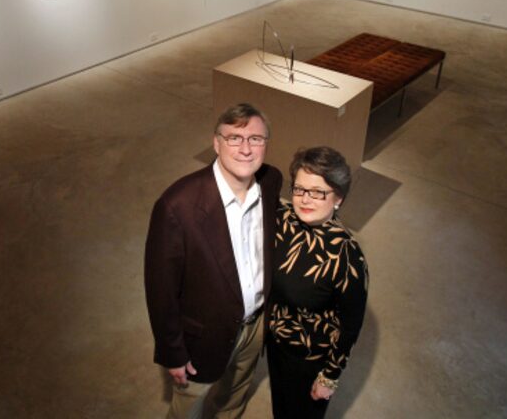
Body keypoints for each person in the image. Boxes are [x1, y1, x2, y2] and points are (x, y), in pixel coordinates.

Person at [145, 103, 283, 418]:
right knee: (190, 407)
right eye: (235, 138)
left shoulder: (271, 181)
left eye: (256, 139)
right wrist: (173, 352)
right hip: (203, 337)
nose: (246, 149)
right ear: (216, 143)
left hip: (256, 325)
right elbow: (160, 290)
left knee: (234, 396)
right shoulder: (176, 207)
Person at [267, 146, 368, 418]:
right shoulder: (283, 219)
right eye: (299, 189)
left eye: (318, 192)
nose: (305, 200)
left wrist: (329, 376)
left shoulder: (347, 256)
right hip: (276, 344)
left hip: (309, 360)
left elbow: (350, 326)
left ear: (338, 198)